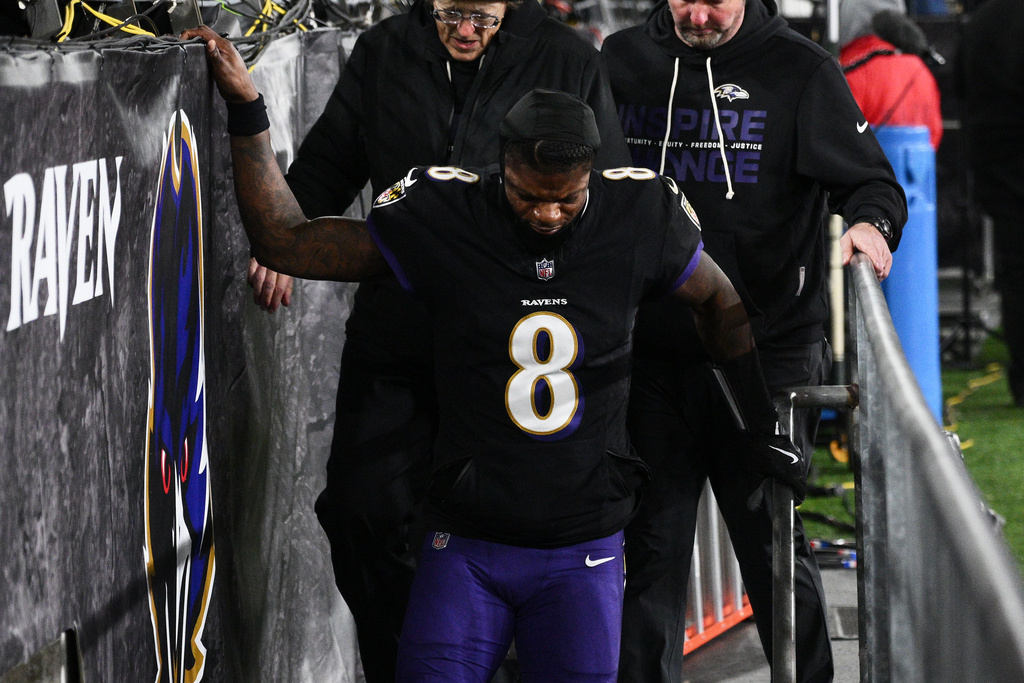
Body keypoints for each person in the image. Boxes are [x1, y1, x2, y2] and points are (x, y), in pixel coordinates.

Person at [180, 28, 809, 679]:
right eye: (528, 194)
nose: (547, 213)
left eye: (566, 197)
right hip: (468, 544)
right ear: (499, 167)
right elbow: (286, 242)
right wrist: (248, 108)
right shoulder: (449, 214)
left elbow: (719, 299)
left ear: (593, 173)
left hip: (582, 548)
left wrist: (756, 420)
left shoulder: (637, 214)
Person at [240, 1, 631, 680]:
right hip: (401, 328)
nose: (465, 32)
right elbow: (329, 162)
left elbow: (602, 197)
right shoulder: (386, 51)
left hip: (508, 343)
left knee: (498, 523)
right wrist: (286, 242)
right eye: (449, 14)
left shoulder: (569, 61)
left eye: (481, 16)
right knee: (357, 508)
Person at [602, 1, 907, 681]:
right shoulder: (622, 62)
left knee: (772, 548)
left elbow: (872, 181)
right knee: (648, 552)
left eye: (717, 0)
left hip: (765, 354)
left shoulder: (799, 69)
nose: (699, 13)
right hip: (654, 351)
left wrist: (871, 227)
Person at [959, 0, 1024, 408]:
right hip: (1005, 158)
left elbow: (961, 88)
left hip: (999, 168)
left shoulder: (981, 21)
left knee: (1016, 275)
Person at [838, 0, 943, 150]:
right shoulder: (920, 70)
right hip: (916, 171)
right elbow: (933, 132)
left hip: (867, 169)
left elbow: (841, 140)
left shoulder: (850, 73)